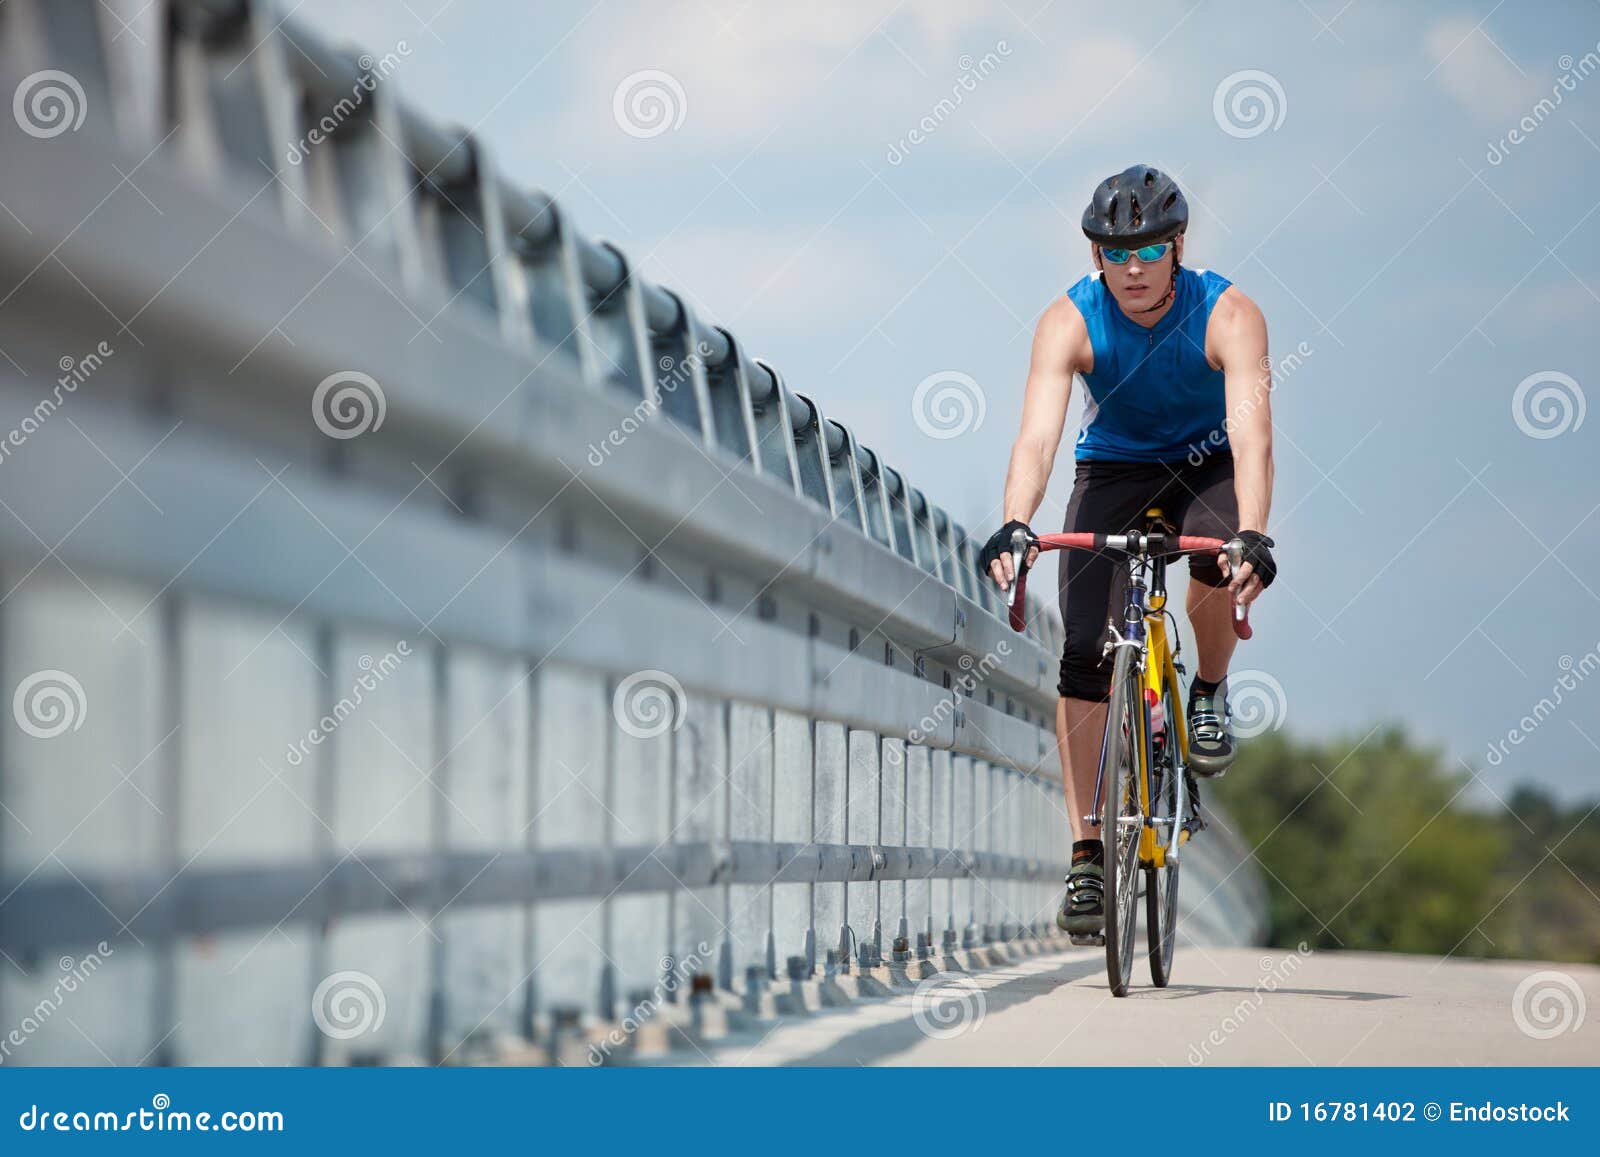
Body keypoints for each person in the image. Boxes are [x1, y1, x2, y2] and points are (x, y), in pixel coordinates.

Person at [977, 164, 1277, 937]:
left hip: (1207, 461)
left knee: (1216, 556)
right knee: (1082, 651)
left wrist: (1253, 533)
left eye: (1149, 250)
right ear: (1094, 257)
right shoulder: (1068, 322)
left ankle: (1206, 692)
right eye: (1117, 253)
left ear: (1179, 246)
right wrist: (1017, 520)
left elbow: (1252, 437)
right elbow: (1038, 434)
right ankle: (1086, 856)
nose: (1134, 268)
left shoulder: (1229, 313)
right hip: (1114, 469)